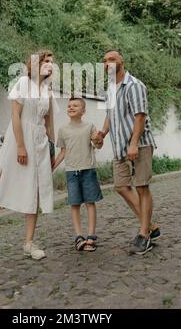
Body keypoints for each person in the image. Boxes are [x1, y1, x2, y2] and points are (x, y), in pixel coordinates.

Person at [0, 50, 55, 264]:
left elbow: (49, 123)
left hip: (40, 143)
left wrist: (53, 149)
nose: (50, 65)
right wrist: (20, 146)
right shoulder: (22, 83)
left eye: (52, 62)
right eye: (46, 61)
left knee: (34, 191)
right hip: (20, 140)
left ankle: (29, 243)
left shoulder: (47, 90)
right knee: (0, 189)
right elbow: (15, 116)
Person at [93, 49, 160, 255]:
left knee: (141, 187)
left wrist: (133, 143)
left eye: (112, 59)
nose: (108, 63)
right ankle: (150, 225)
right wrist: (102, 133)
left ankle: (143, 234)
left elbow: (140, 116)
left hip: (139, 144)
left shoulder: (134, 85)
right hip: (119, 146)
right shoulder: (110, 89)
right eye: (104, 61)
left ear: (121, 61)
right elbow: (110, 116)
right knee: (121, 186)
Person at [54, 98, 103, 252]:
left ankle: (91, 236)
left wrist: (98, 140)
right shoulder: (62, 130)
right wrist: (52, 166)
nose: (71, 107)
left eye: (75, 105)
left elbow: (98, 144)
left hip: (88, 170)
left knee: (90, 203)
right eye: (69, 105)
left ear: (83, 111)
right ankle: (79, 237)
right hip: (71, 172)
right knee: (74, 204)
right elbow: (63, 152)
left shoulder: (89, 127)